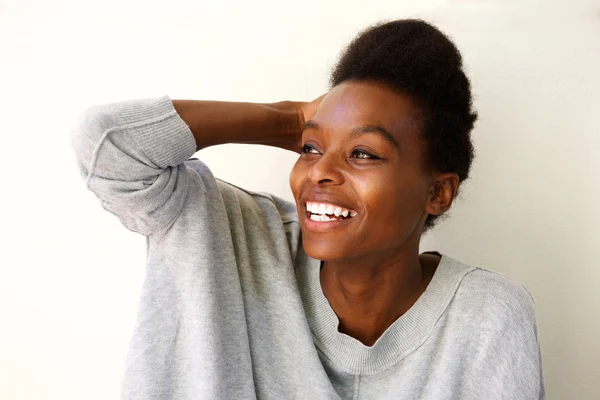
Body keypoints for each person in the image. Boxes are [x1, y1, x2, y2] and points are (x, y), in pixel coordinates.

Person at [69, 19, 545, 400]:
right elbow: (107, 146)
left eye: (363, 153)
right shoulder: (223, 231)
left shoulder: (486, 314)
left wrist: (318, 131)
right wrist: (291, 118)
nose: (319, 171)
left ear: (437, 192)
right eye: (311, 148)